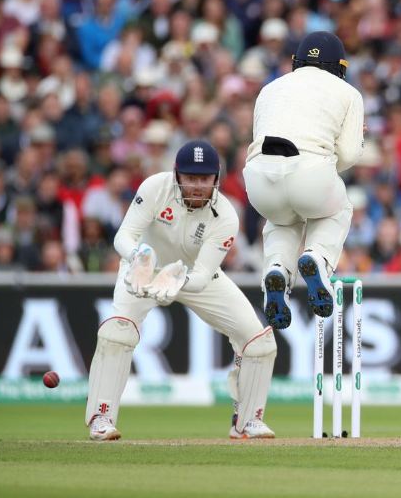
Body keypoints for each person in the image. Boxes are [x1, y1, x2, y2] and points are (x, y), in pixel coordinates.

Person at [85, 140, 277, 441]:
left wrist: (176, 281)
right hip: (143, 268)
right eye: (190, 178)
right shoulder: (154, 188)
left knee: (258, 342)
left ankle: (248, 421)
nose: (197, 186)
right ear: (177, 175)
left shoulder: (226, 216)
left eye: (204, 179)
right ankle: (101, 416)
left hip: (191, 276)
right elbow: (124, 236)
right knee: (117, 332)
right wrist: (138, 257)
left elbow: (201, 276)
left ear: (216, 178)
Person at [243, 31, 364, 329]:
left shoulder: (270, 88)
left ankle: (276, 270)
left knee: (282, 219)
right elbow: (348, 156)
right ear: (340, 65)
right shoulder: (347, 92)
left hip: (258, 178)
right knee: (339, 208)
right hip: (309, 172)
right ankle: (318, 258)